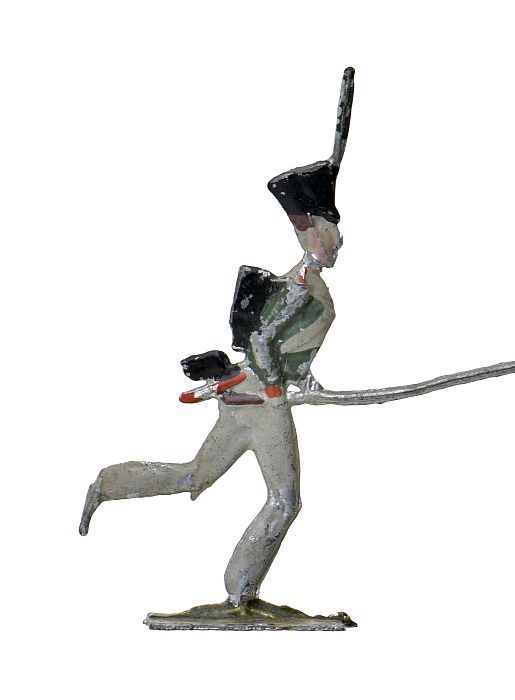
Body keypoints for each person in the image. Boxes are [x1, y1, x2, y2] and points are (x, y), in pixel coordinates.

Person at [79, 68, 354, 609]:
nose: (336, 246)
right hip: (261, 401)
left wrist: (304, 379)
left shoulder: (306, 284)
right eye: (331, 237)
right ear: (313, 237)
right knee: (284, 501)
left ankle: (108, 484)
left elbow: (286, 347)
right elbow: (266, 341)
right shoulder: (304, 288)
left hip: (243, 396)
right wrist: (277, 388)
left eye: (335, 239)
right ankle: (240, 593)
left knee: (194, 475)